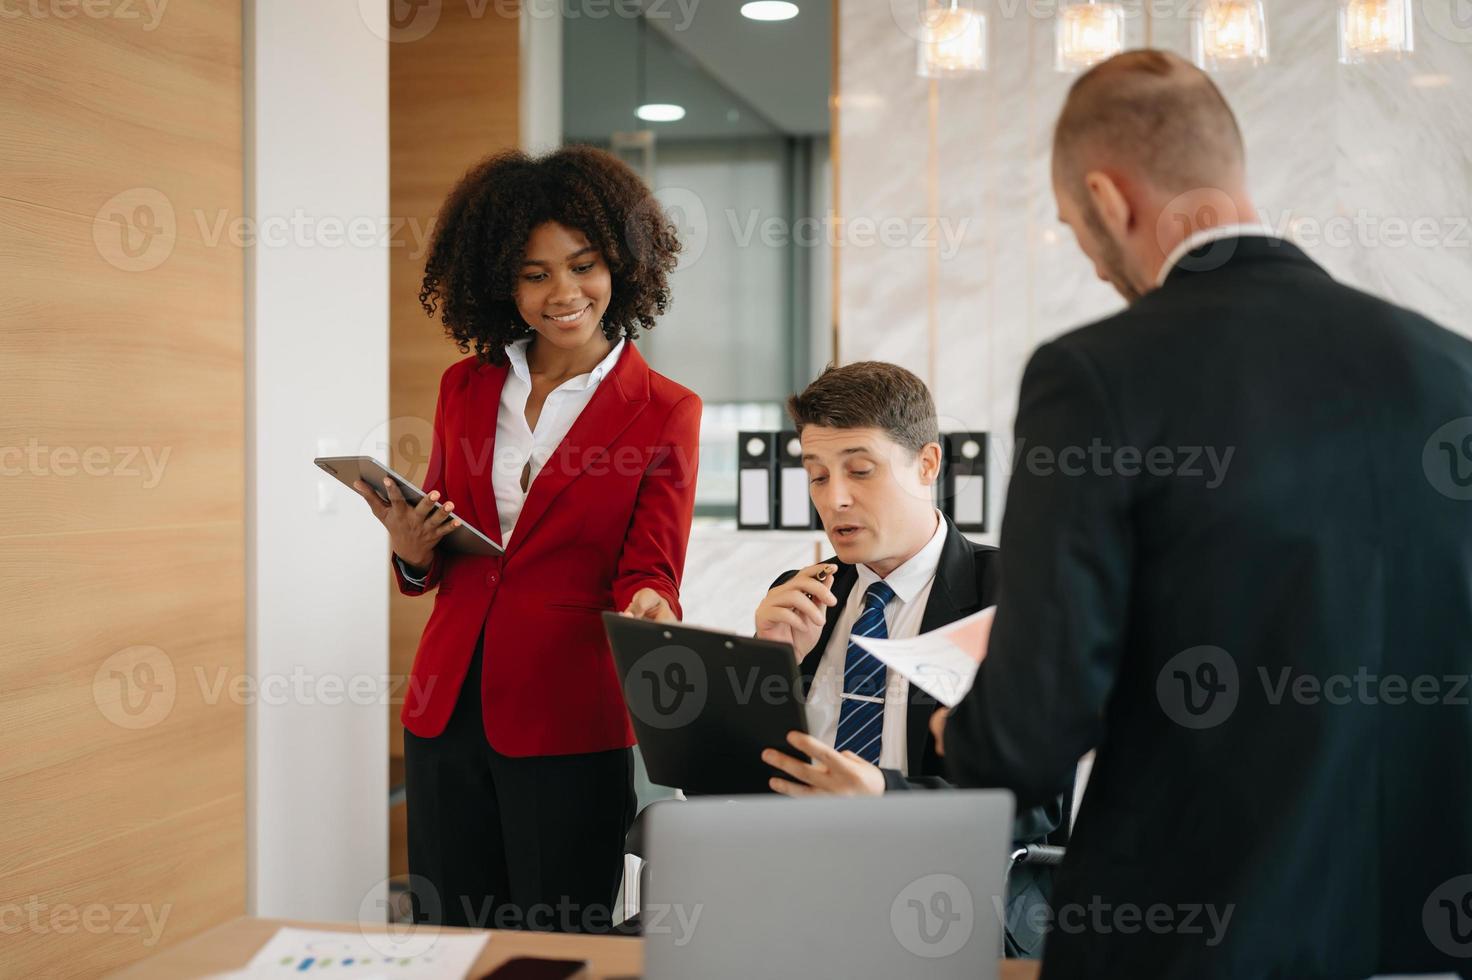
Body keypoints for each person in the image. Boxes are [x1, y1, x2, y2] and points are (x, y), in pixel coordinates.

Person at [940, 50, 1472, 977]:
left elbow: (1031, 731)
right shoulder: (1451, 370)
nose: (1095, 263)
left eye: (1075, 229)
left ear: (1109, 200)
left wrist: (963, 730)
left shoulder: (1096, 378)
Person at [351, 146, 701, 933]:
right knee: (449, 935)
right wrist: (411, 549)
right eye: (534, 273)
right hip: (447, 707)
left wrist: (650, 602)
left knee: (556, 936)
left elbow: (650, 565)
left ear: (623, 264)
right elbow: (443, 551)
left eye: (583, 266)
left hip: (568, 713)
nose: (563, 293)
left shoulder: (666, 409)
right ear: (500, 281)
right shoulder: (466, 387)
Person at [752, 360, 1067, 958]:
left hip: (949, 899)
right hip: (801, 888)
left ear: (926, 465)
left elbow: (1035, 800)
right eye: (816, 476)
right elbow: (743, 781)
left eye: (860, 472)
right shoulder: (802, 594)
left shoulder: (1013, 595)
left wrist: (885, 799)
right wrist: (763, 670)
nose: (834, 499)